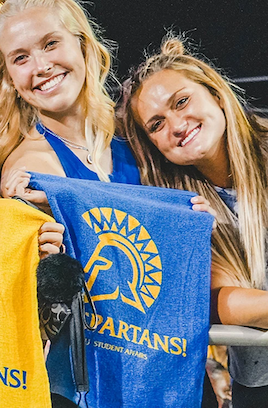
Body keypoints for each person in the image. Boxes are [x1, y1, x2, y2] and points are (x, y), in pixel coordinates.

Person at [118, 36, 268, 408]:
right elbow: (218, 301)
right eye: (157, 124)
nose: (177, 124)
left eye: (181, 101)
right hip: (258, 384)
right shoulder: (179, 205)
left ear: (215, 92)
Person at [0, 0, 141, 209]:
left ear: (81, 44)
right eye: (21, 58)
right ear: (8, 77)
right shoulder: (30, 169)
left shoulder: (135, 133)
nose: (41, 67)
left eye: (50, 44)